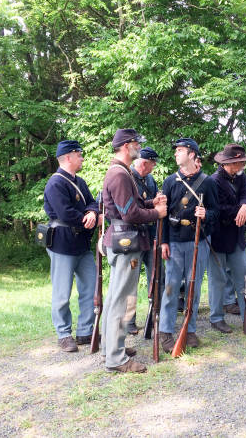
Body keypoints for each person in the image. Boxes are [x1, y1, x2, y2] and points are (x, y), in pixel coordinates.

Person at [101, 128, 167, 373]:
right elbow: (130, 214)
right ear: (126, 146)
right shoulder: (119, 174)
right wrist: (156, 213)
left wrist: (151, 203)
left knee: (116, 298)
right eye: (136, 143)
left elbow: (132, 205)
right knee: (121, 300)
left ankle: (111, 348)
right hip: (126, 240)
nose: (139, 146)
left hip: (124, 239)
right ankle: (116, 358)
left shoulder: (122, 172)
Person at [158, 138, 219, 352]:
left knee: (193, 286)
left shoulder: (208, 182)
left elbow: (216, 212)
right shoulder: (169, 182)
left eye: (181, 150)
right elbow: (163, 216)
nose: (176, 153)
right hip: (174, 240)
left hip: (198, 241)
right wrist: (164, 241)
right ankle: (166, 332)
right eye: (176, 150)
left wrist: (207, 214)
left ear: (192, 154)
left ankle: (190, 328)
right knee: (171, 287)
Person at [43, 140, 100, 352]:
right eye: (79, 154)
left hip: (81, 244)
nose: (82, 158)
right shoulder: (55, 183)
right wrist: (89, 219)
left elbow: (92, 202)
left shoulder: (80, 181)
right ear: (68, 157)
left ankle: (86, 331)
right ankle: (64, 334)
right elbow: (65, 213)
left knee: (90, 288)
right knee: (62, 293)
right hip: (62, 243)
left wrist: (92, 212)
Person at [208, 143, 246, 334]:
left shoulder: (240, 177)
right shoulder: (213, 181)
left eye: (242, 162)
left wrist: (244, 206)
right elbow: (218, 210)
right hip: (218, 238)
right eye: (238, 162)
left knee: (244, 280)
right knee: (218, 281)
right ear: (227, 163)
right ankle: (216, 318)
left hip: (237, 238)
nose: (241, 166)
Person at [124, 146, 160, 335]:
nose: (154, 168)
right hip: (133, 237)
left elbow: (151, 200)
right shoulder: (127, 178)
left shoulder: (150, 180)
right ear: (145, 163)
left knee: (156, 277)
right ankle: (129, 321)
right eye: (153, 164)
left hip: (151, 234)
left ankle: (155, 316)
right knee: (131, 281)